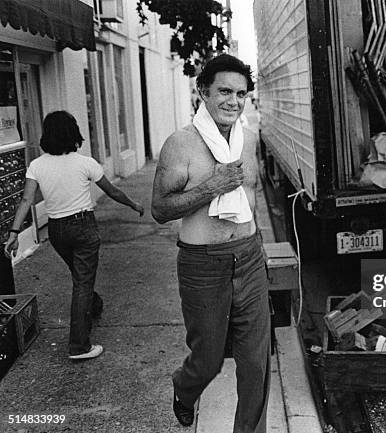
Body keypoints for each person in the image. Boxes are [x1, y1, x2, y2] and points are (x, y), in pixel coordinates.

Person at [151, 54, 269, 432]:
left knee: (255, 363)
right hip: (204, 266)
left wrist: (260, 252)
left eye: (241, 94)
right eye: (224, 91)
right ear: (203, 91)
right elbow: (159, 209)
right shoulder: (180, 145)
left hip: (249, 259)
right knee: (209, 359)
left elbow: (252, 202)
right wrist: (211, 188)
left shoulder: (249, 141)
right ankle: (185, 388)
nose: (233, 101)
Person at [4, 111, 144, 360]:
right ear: (73, 133)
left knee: (81, 276)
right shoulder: (85, 163)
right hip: (82, 227)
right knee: (82, 281)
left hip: (57, 231)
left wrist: (14, 232)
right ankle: (79, 346)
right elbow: (112, 191)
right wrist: (134, 205)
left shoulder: (37, 165)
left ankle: (95, 303)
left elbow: (26, 200)